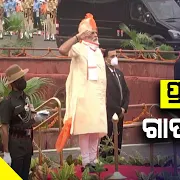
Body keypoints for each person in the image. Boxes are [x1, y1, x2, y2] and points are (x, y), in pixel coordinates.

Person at [55, 13, 108, 172]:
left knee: (95, 130)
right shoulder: (78, 48)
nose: (95, 35)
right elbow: (62, 50)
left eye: (96, 32)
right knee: (85, 130)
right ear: (85, 34)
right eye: (92, 32)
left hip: (97, 97)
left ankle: (93, 160)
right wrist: (78, 36)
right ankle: (86, 162)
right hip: (83, 98)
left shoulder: (98, 51)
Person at [0, 64, 48, 180]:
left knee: (24, 176)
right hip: (15, 145)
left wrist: (38, 117)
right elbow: (4, 128)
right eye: (19, 79)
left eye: (23, 77)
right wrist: (6, 152)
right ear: (12, 83)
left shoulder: (25, 98)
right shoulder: (7, 102)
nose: (23, 80)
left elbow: (29, 118)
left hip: (27, 143)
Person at [99, 50, 130, 158]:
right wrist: (118, 109)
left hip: (120, 112)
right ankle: (104, 160)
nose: (115, 58)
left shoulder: (119, 73)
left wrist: (124, 108)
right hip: (109, 112)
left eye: (116, 56)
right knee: (107, 137)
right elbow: (106, 95)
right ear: (105, 59)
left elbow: (126, 92)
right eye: (112, 56)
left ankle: (116, 159)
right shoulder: (103, 74)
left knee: (118, 137)